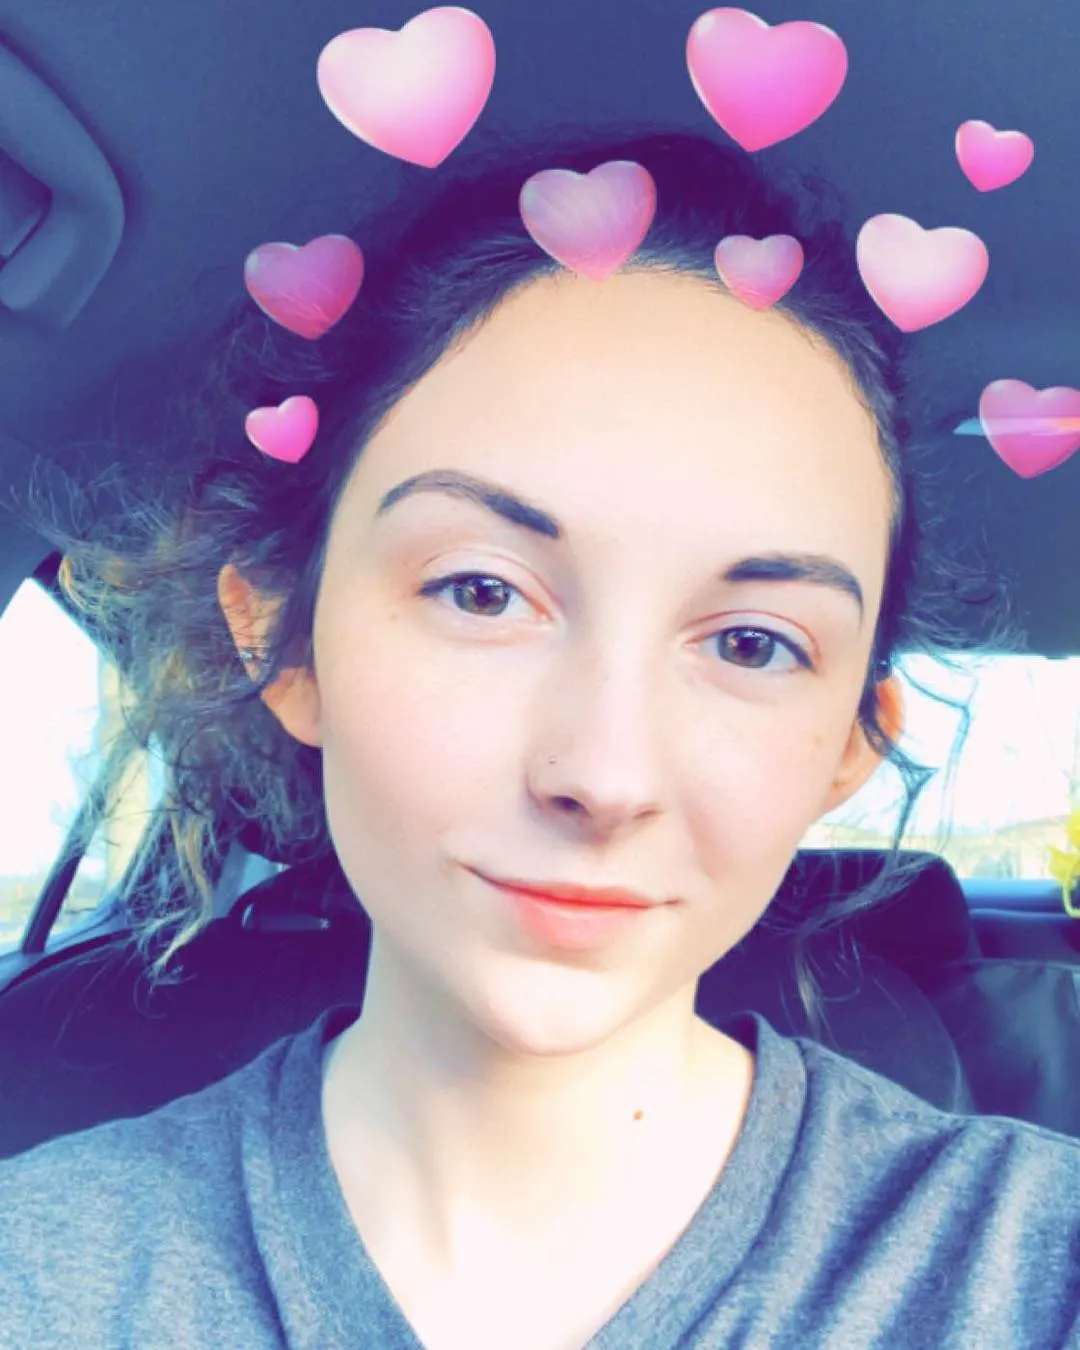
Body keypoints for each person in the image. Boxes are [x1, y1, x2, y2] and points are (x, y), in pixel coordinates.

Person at [2, 126, 1077, 1350]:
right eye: (481, 592)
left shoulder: (1032, 1266)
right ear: (286, 645)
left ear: (848, 745)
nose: (604, 777)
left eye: (752, 645)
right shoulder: (38, 1271)